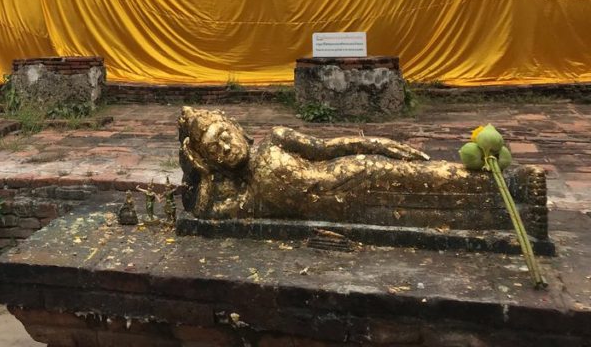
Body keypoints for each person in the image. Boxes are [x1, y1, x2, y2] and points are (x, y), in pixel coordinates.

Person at [178, 107, 547, 236]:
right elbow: (204, 210)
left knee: (428, 178)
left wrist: (380, 144)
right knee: (427, 215)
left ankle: (510, 184)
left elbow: (330, 147)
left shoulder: (274, 140)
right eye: (215, 150)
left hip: (355, 173)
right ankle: (510, 217)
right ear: (213, 162)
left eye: (224, 136)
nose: (226, 147)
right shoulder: (245, 198)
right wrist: (199, 168)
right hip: (348, 209)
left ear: (235, 127)